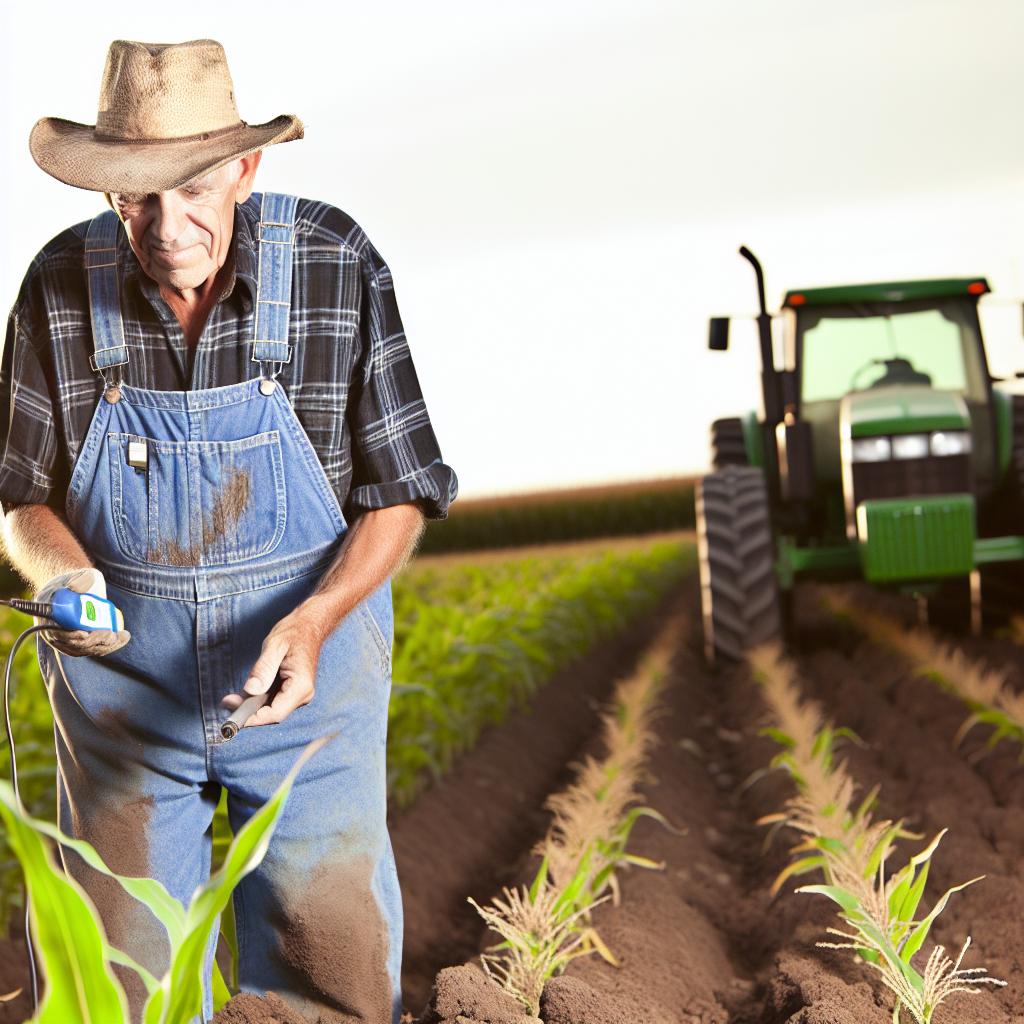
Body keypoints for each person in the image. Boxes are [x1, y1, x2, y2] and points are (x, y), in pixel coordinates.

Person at [0, 37, 458, 1024]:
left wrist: (320, 616)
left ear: (248, 168)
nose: (168, 229)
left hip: (306, 682)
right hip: (127, 689)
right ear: (109, 189)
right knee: (119, 992)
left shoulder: (336, 265)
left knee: (329, 975)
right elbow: (19, 499)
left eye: (196, 189)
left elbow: (400, 489)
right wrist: (62, 575)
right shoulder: (56, 285)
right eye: (137, 197)